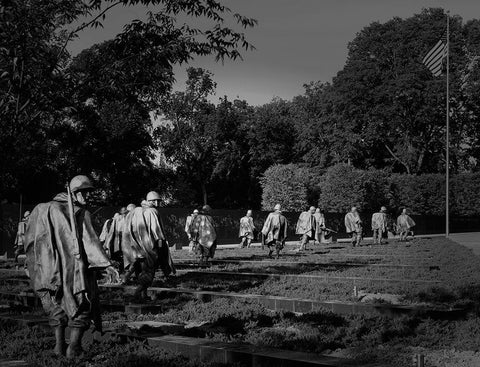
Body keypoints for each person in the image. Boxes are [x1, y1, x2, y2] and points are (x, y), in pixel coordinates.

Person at [24, 175, 119, 358]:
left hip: (45, 271)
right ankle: (73, 347)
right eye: (84, 192)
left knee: (55, 307)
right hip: (73, 271)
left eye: (89, 192)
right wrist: (106, 265)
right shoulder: (79, 212)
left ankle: (59, 347)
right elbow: (90, 242)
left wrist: (34, 267)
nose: (88, 196)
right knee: (82, 306)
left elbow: (29, 242)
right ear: (73, 192)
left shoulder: (40, 209)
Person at [122, 191, 176, 299]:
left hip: (136, 248)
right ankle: (137, 293)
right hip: (149, 248)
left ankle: (143, 295)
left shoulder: (135, 211)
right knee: (149, 272)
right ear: (152, 201)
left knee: (140, 271)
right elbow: (157, 232)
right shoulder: (152, 211)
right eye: (157, 201)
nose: (158, 203)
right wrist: (160, 247)